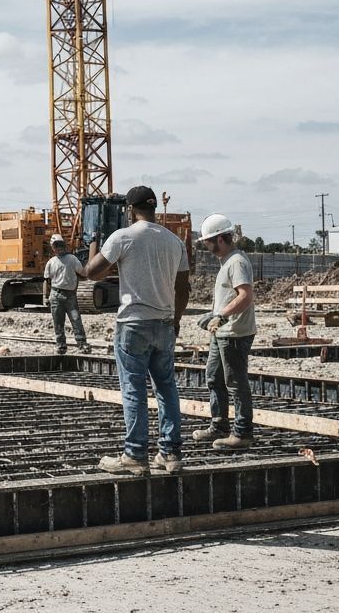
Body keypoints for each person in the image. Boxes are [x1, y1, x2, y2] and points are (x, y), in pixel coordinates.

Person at [84, 185, 190, 476]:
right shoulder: (174, 242)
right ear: (154, 208)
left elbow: (91, 272)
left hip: (133, 323)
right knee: (166, 388)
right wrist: (176, 320)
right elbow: (184, 289)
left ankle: (135, 454)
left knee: (133, 389)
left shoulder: (123, 237)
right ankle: (170, 454)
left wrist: (94, 244)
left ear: (130, 210)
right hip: (164, 323)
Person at [193, 213, 257, 450]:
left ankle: (242, 432)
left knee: (235, 383)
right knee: (214, 377)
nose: (206, 247)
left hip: (234, 333)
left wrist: (222, 316)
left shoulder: (237, 262)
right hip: (222, 332)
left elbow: (245, 296)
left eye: (208, 242)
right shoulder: (228, 261)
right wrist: (214, 315)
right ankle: (219, 425)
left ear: (220, 239)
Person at [43, 232, 91, 355]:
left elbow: (82, 273)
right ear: (53, 248)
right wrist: (45, 297)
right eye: (56, 246)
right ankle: (61, 346)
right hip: (56, 294)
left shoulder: (72, 259)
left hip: (70, 295)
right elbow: (47, 281)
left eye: (60, 245)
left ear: (64, 246)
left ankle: (82, 344)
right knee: (58, 322)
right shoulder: (51, 262)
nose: (59, 248)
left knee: (76, 320)